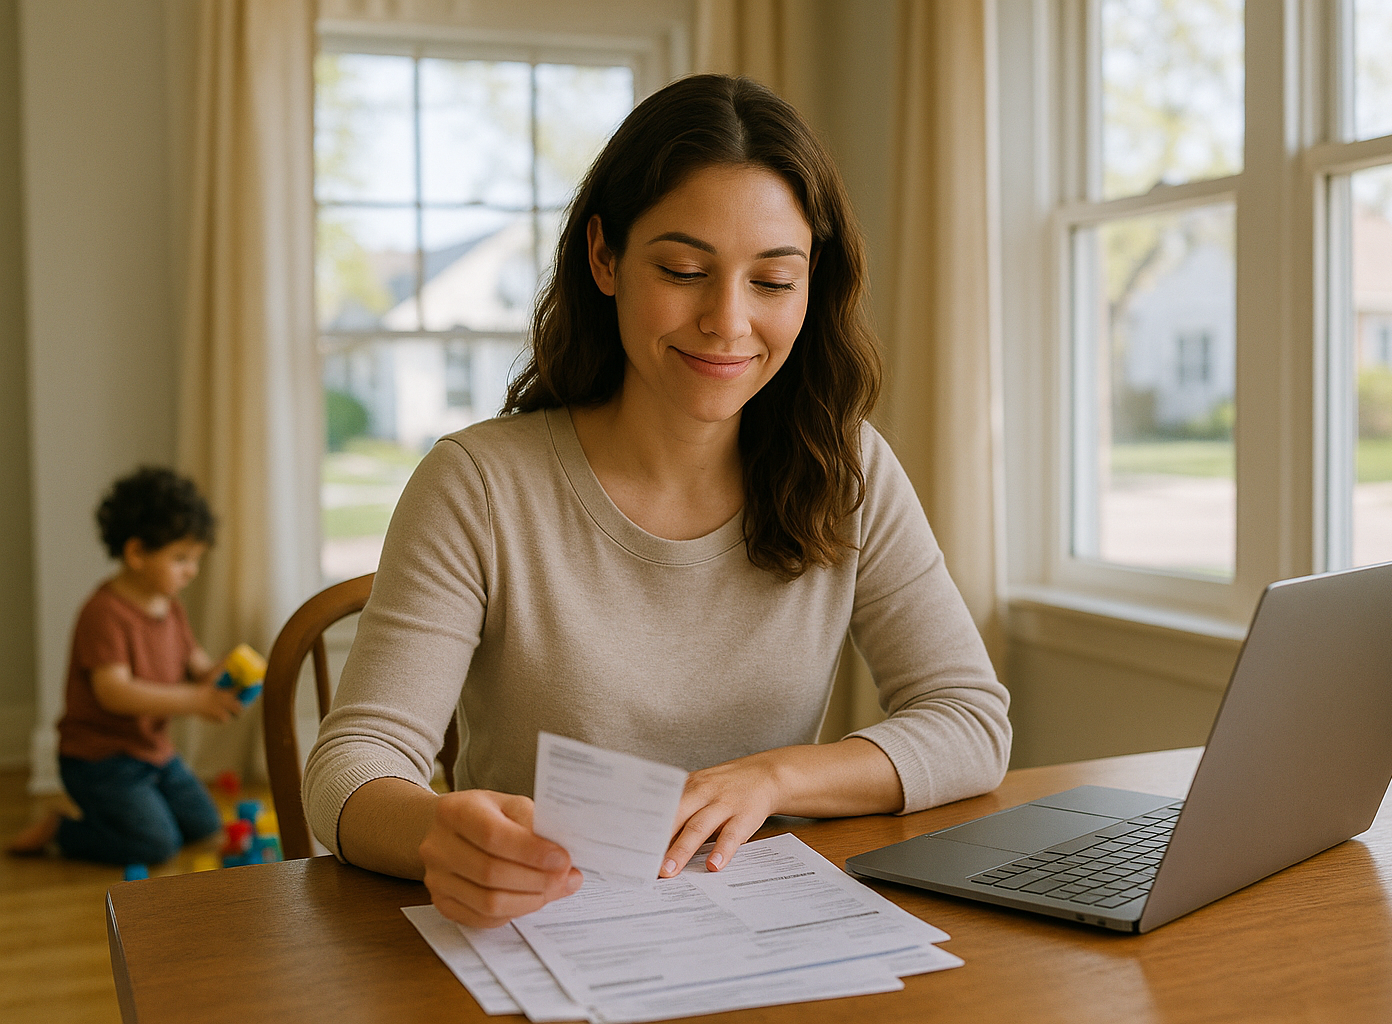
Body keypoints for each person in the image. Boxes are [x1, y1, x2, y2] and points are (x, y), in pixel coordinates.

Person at [303, 74, 1011, 928]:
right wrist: (434, 834)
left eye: (773, 282)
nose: (727, 320)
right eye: (683, 269)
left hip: (764, 933)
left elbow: (972, 723)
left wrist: (773, 777)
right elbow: (353, 762)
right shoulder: (479, 485)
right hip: (542, 933)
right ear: (605, 257)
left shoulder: (846, 468)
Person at [5, 467, 243, 863]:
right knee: (154, 846)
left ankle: (137, 809)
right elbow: (114, 693)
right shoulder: (104, 613)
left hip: (155, 753)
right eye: (180, 557)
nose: (192, 570)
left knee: (204, 826)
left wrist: (226, 677)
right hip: (101, 761)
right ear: (136, 553)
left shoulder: (171, 609)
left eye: (196, 558)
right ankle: (62, 830)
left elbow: (200, 667)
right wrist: (195, 700)